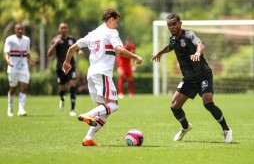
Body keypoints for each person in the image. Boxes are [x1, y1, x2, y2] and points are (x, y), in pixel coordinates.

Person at [62, 8, 142, 146]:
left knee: (105, 112)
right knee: (114, 105)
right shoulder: (111, 32)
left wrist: (67, 62)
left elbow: (71, 49)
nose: (117, 25)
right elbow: (119, 50)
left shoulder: (93, 34)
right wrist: (135, 56)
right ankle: (89, 114)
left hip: (91, 74)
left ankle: (88, 138)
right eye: (116, 22)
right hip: (102, 73)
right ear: (111, 19)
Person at [151, 13, 232, 143]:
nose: (172, 27)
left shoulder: (189, 35)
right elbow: (170, 47)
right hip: (189, 78)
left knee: (208, 103)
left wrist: (198, 53)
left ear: (180, 23)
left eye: (174, 24)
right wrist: (159, 53)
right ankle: (185, 127)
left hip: (203, 75)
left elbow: (200, 44)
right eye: (169, 25)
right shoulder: (173, 39)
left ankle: (226, 130)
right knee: (174, 106)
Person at [47, 23, 84, 116]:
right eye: (62, 28)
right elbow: (48, 54)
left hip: (71, 66)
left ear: (67, 29)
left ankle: (72, 109)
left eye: (65, 28)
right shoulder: (56, 39)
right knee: (62, 87)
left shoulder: (72, 39)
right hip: (60, 68)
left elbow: (77, 49)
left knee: (72, 84)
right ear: (59, 29)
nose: (64, 29)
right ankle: (62, 98)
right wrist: (55, 44)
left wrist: (79, 51)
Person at [4, 24, 35, 117]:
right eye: (18, 29)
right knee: (13, 88)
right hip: (13, 66)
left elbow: (27, 53)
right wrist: (8, 61)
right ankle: (10, 107)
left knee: (24, 87)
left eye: (21, 29)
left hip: (24, 67)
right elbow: (7, 52)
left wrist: (31, 61)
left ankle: (21, 109)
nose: (20, 30)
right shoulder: (10, 39)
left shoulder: (27, 40)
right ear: (15, 30)